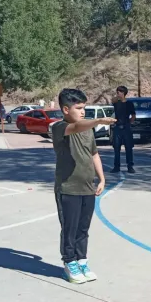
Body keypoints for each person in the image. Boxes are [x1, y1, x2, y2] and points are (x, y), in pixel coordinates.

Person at [52, 88, 115, 284]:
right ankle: (69, 262)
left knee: (83, 229)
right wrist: (98, 121)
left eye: (84, 108)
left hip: (87, 188)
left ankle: (82, 261)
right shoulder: (59, 127)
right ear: (65, 109)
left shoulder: (87, 130)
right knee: (69, 228)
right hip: (68, 188)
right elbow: (76, 128)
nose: (82, 111)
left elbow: (94, 154)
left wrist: (102, 178)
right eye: (78, 108)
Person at [111, 86, 136, 174]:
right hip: (117, 127)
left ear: (124, 93)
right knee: (116, 148)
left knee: (129, 148)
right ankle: (116, 166)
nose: (118, 93)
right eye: (117, 91)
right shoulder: (116, 103)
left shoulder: (129, 104)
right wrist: (118, 97)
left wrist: (129, 123)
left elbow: (133, 115)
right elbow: (112, 100)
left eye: (120, 92)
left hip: (126, 127)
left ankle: (130, 166)